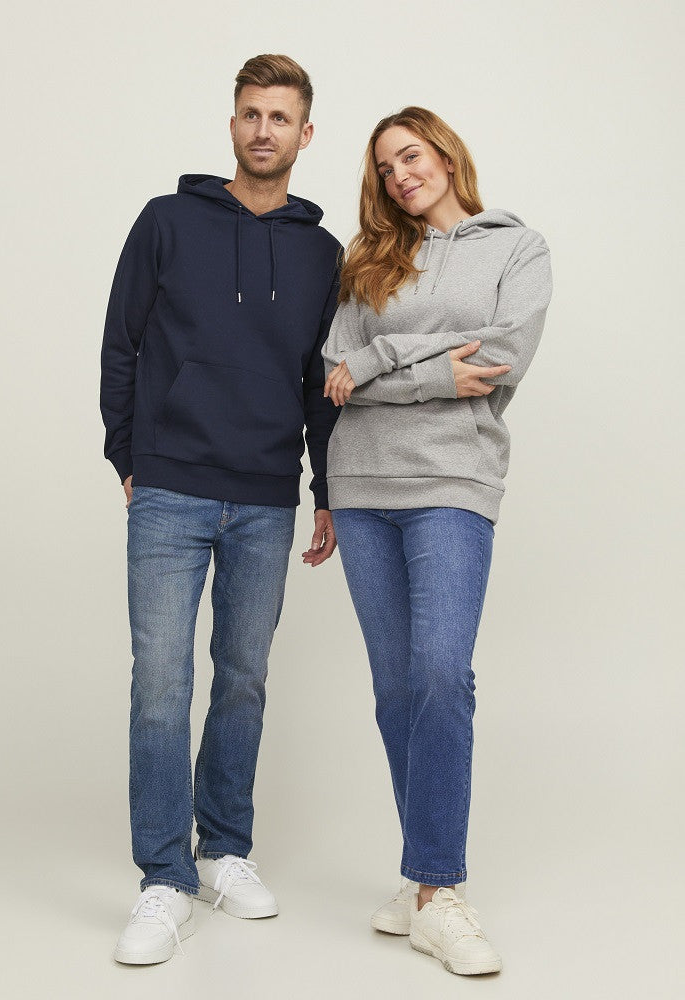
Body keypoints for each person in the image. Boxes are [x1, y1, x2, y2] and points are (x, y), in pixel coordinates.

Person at [100, 54, 340, 965]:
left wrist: (325, 490)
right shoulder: (166, 222)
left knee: (243, 677)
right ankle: (164, 876)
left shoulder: (322, 254)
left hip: (266, 497)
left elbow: (320, 383)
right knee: (160, 682)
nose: (263, 130)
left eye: (280, 117)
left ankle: (224, 848)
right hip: (169, 488)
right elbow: (121, 342)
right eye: (250, 113)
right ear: (232, 123)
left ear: (305, 134)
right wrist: (128, 454)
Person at [322, 106, 552, 976]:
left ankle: (438, 892)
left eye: (410, 156)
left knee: (440, 675)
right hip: (362, 486)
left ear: (446, 155)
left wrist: (380, 360)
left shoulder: (516, 249)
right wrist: (415, 372)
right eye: (385, 168)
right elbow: (332, 373)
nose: (400, 176)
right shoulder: (368, 258)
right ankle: (423, 882)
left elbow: (497, 359)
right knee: (396, 691)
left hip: (454, 482)